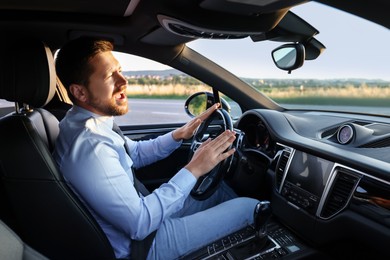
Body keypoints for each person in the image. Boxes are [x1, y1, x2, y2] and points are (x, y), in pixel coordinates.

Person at [53, 37, 260, 259]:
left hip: (143, 221)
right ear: (80, 92)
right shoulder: (90, 147)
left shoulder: (83, 120)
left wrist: (178, 135)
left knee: (218, 192)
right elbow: (140, 224)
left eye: (119, 71)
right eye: (109, 76)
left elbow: (134, 153)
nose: (123, 81)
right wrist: (195, 168)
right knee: (250, 207)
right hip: (143, 246)